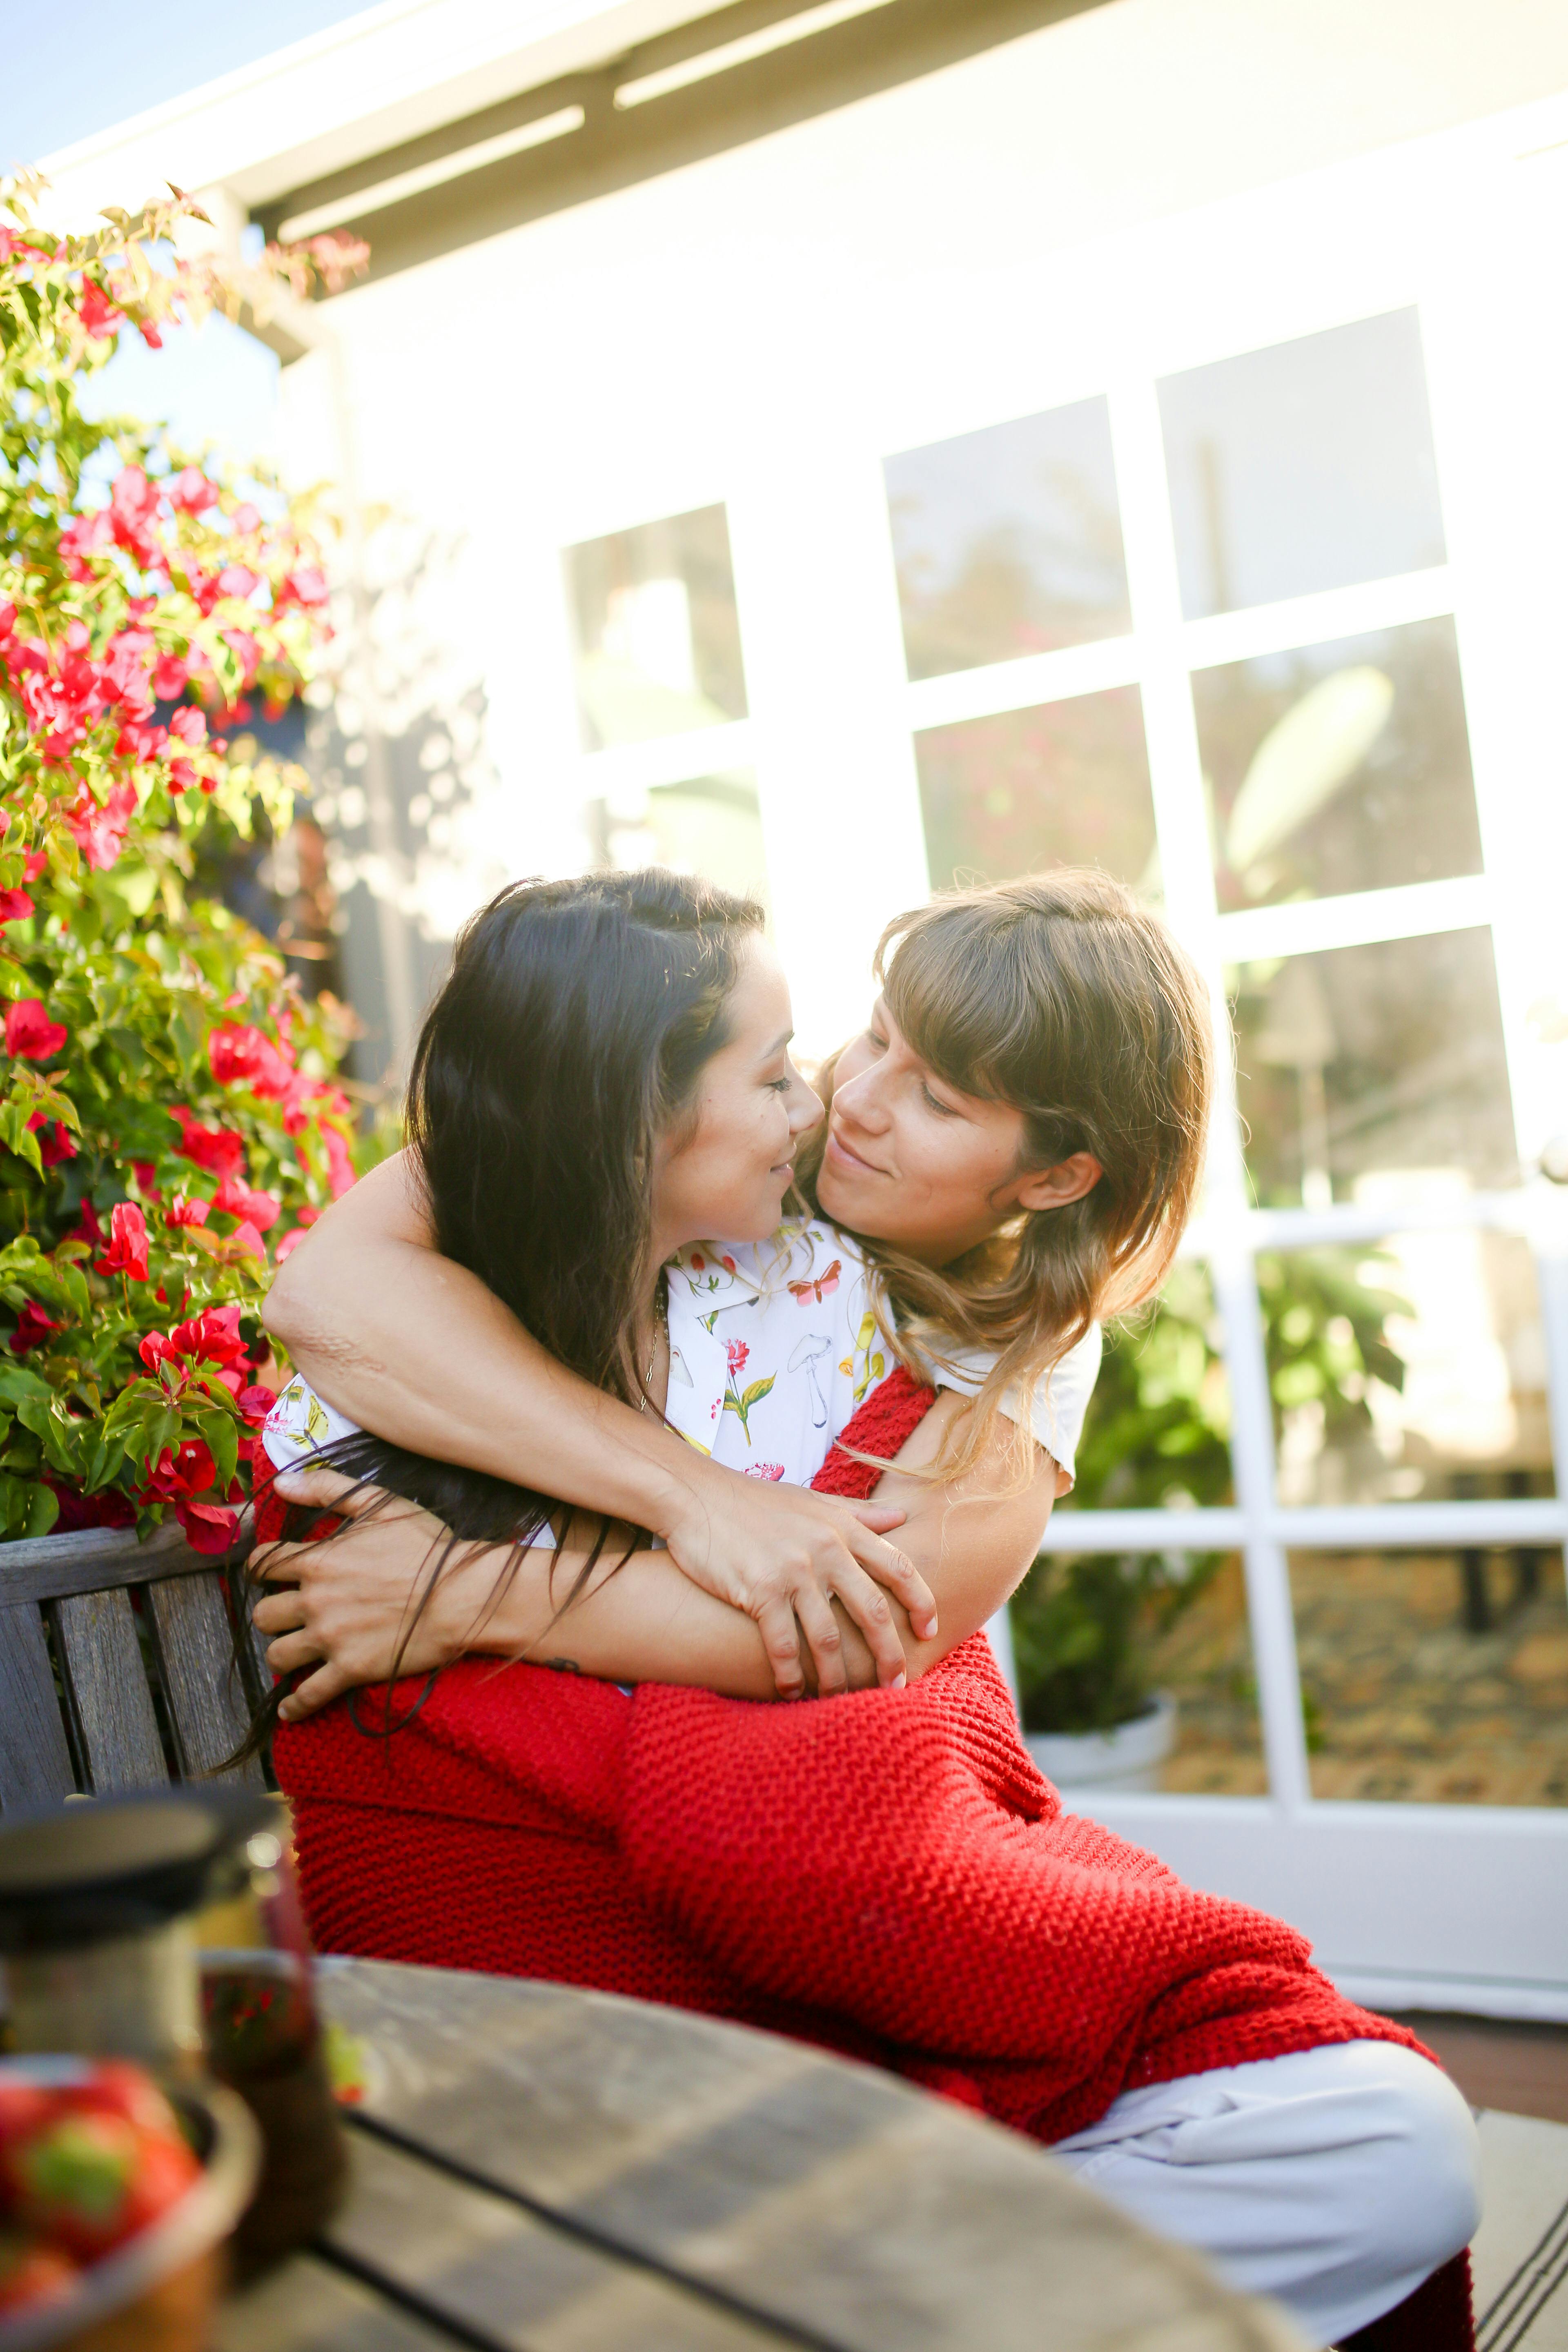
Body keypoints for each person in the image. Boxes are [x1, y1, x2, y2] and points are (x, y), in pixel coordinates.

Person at [255, 867, 1478, 2352]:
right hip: (564, 1919)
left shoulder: (997, 1331)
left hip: (832, 1853)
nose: (853, 1099)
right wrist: (706, 1503)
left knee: (1393, 2141)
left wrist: (469, 1593)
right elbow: (326, 1288)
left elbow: (869, 1635)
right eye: (869, 1038)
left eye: (942, 1097)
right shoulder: (670, 1132)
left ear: (1052, 1178)